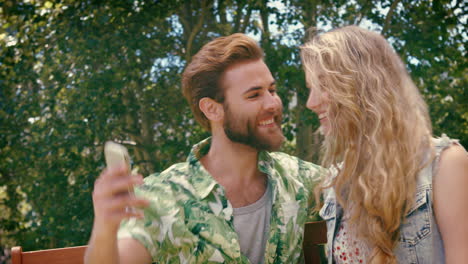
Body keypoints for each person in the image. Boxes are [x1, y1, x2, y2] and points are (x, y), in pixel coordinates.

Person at [84, 33, 324, 264]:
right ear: (212, 109)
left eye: (272, 90)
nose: (273, 103)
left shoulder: (301, 180)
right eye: (254, 95)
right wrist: (104, 226)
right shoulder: (162, 197)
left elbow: (358, 185)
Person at [300, 25, 468, 263]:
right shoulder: (334, 183)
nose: (311, 102)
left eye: (325, 85)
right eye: (311, 89)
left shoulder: (444, 165)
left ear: (364, 86)